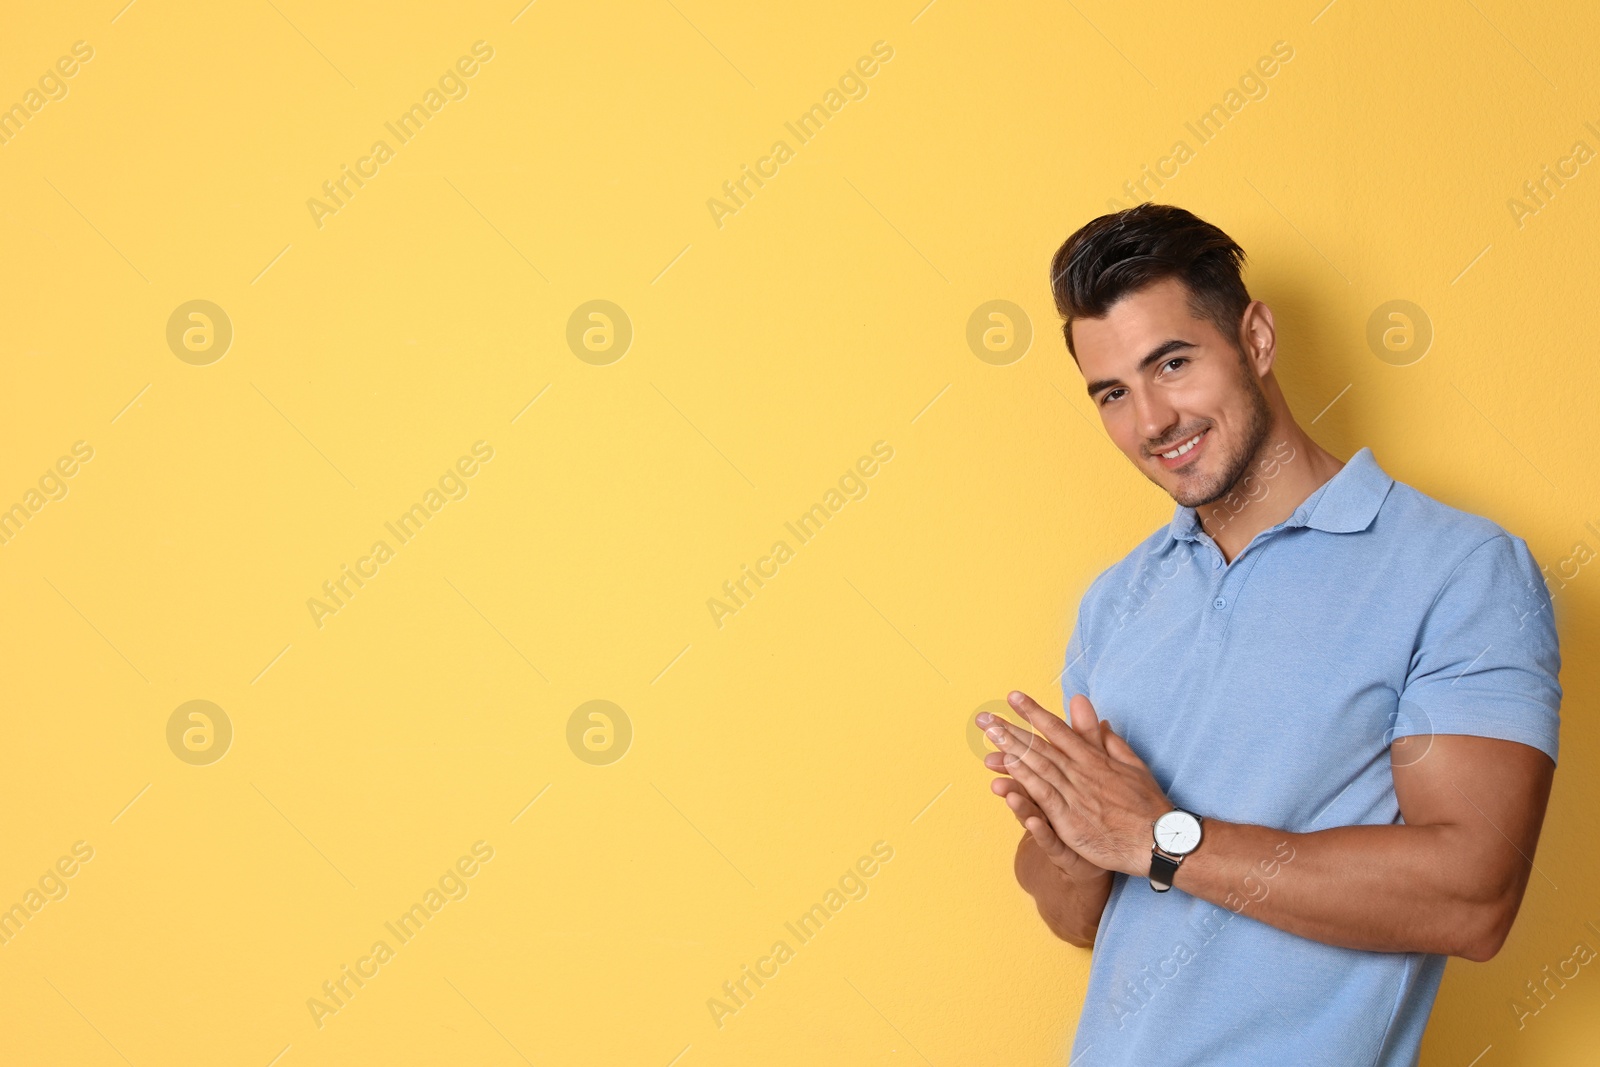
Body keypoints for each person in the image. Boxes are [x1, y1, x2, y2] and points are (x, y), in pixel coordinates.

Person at [978, 202, 1562, 1065]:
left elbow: (1474, 896)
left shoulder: (1460, 570)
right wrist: (1071, 842)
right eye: (1112, 393)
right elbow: (1083, 917)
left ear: (1255, 339)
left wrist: (1161, 837)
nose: (1150, 421)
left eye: (1171, 363)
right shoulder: (1117, 599)